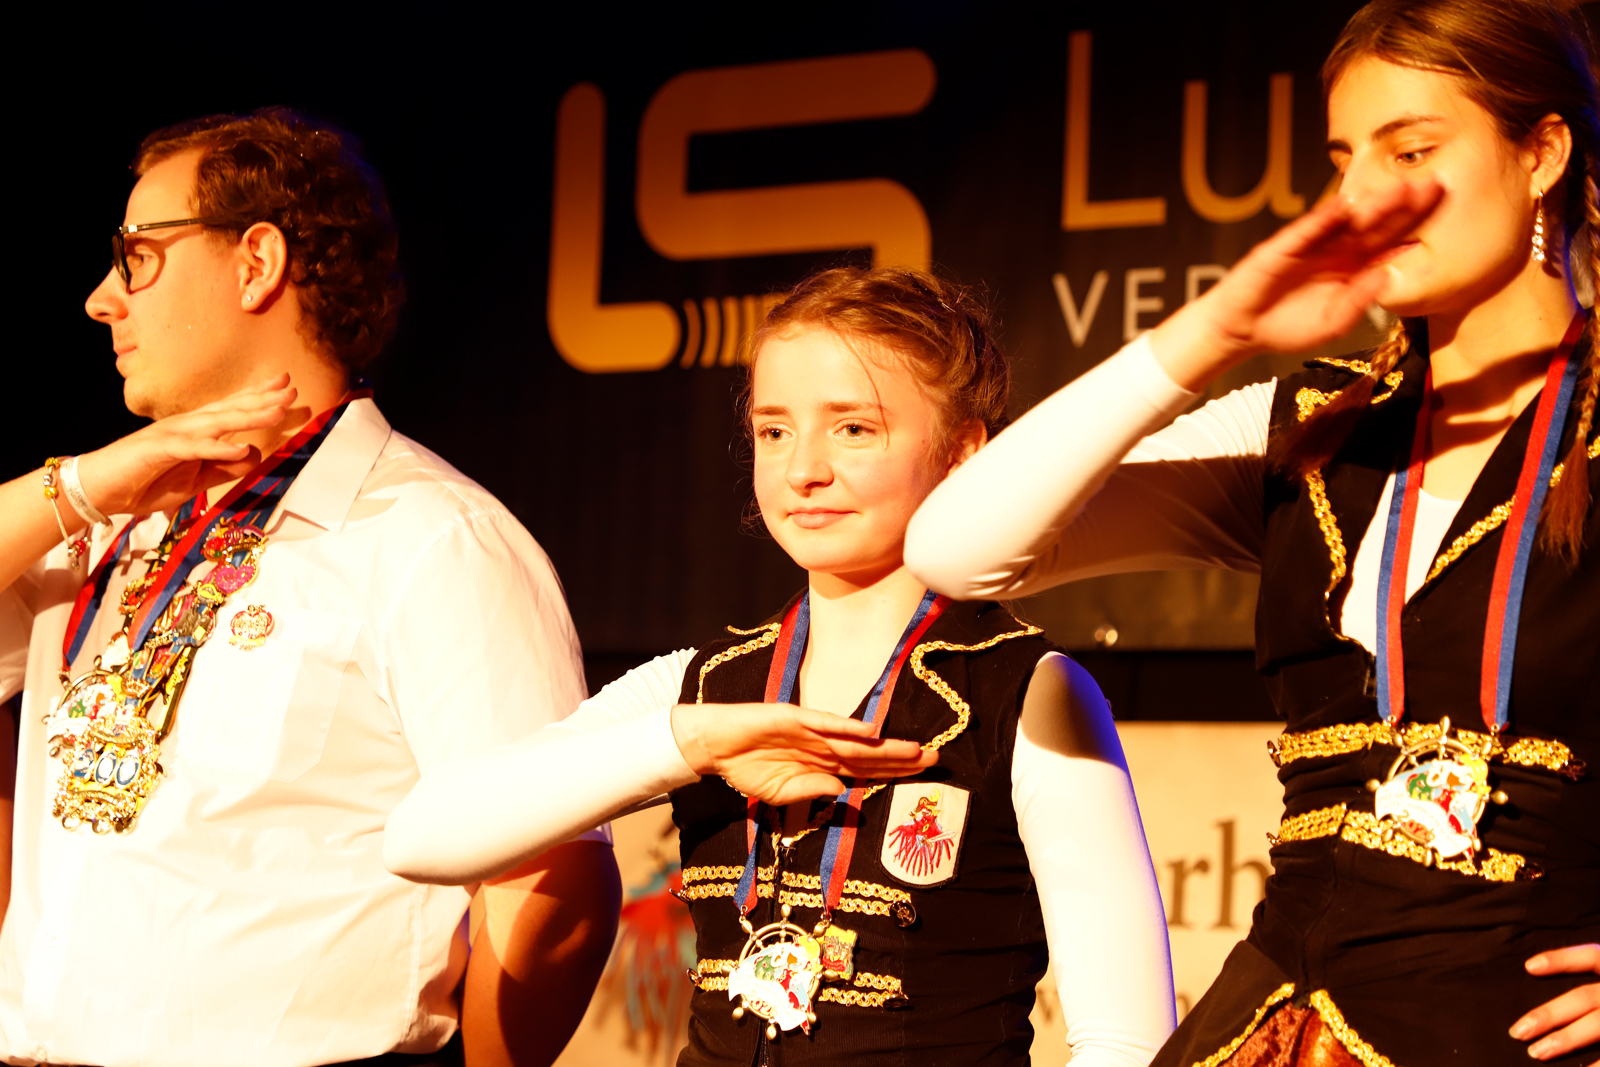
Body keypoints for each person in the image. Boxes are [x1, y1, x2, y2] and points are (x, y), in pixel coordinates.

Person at [904, 2, 1599, 1065]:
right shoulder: (1302, 428)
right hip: (1269, 1016)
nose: (1363, 196)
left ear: (1541, 152)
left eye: (1411, 151)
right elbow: (955, 545)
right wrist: (1214, 330)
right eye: (1343, 159)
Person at [385, 267, 1178, 1066]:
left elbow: (1127, 1041)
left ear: (962, 451)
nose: (803, 470)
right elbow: (421, 837)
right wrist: (689, 744)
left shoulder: (1030, 691)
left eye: (853, 428)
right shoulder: (701, 687)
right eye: (773, 431)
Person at [0, 108, 619, 1067]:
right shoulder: (102, 525)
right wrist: (83, 484)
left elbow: (554, 883)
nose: (101, 299)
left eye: (136, 257)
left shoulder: (431, 537)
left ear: (256, 263)